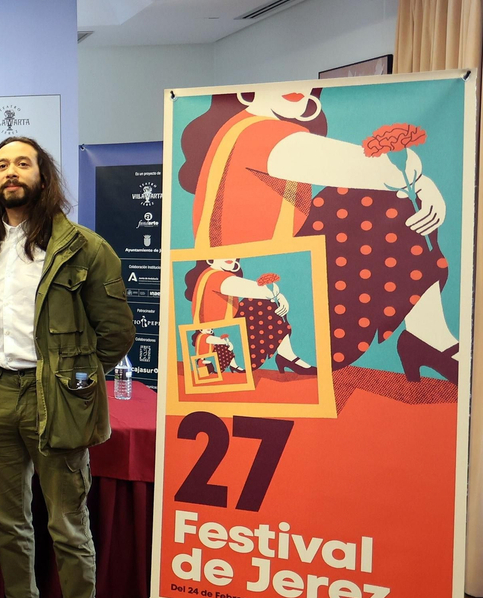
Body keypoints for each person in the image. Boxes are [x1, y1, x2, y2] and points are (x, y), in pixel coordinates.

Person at [0, 137, 132, 598]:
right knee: (8, 517)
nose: (12, 172)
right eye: (2, 165)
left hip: (52, 395)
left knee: (66, 521)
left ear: (43, 175)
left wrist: (77, 381)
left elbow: (116, 334)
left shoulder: (84, 247)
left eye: (23, 163)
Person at [178, 87, 451, 380]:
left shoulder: (256, 131)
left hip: (286, 281)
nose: (298, 91)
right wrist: (420, 184)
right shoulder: (256, 133)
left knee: (378, 198)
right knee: (387, 200)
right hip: (289, 297)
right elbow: (385, 172)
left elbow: (386, 177)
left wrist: (418, 186)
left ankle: (426, 337)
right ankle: (427, 338)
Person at [182, 257, 310, 374]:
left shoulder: (212, 274)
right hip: (221, 336)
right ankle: (285, 356)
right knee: (264, 304)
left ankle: (285, 355)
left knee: (260, 303)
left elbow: (264, 293)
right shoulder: (215, 277)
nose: (229, 256)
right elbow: (265, 292)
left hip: (226, 331)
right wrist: (278, 296)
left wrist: (277, 296)